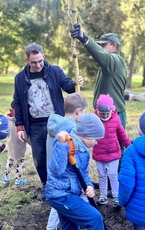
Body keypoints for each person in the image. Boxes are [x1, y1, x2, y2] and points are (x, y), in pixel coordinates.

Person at [14, 43, 84, 200]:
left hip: (55, 121)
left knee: (60, 153)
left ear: (43, 56)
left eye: (40, 60)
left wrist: (76, 83)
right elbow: (17, 103)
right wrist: (19, 126)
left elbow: (68, 86)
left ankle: (67, 183)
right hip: (34, 124)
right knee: (40, 158)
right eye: (33, 62)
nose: (38, 65)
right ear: (27, 60)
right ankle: (47, 186)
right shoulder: (20, 78)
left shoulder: (54, 71)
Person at [45, 113, 105, 230]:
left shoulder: (83, 147)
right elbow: (56, 170)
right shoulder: (65, 143)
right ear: (87, 135)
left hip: (70, 192)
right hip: (60, 195)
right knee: (95, 218)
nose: (96, 143)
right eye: (96, 139)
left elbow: (82, 171)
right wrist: (62, 146)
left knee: (71, 226)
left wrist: (88, 185)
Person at [70, 24, 128, 129]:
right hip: (105, 113)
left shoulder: (116, 61)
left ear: (113, 45)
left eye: (103, 45)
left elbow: (102, 56)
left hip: (113, 114)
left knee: (116, 145)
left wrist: (84, 39)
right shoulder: (109, 64)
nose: (101, 48)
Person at [46, 92, 88, 230]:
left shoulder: (55, 126)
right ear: (78, 111)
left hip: (54, 174)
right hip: (67, 178)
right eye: (84, 112)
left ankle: (51, 227)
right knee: (81, 203)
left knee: (59, 206)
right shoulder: (71, 131)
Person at [92, 94, 131, 208]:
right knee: (102, 176)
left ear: (112, 110)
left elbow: (122, 134)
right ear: (97, 110)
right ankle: (103, 196)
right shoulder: (94, 120)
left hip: (114, 154)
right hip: (99, 153)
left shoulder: (116, 119)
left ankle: (116, 197)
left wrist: (128, 145)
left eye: (106, 114)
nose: (104, 116)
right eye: (102, 114)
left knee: (113, 174)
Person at [118, 107, 145, 230]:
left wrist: (122, 201)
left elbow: (126, 183)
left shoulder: (132, 152)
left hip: (140, 212)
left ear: (143, 128)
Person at [2, 101, 31, 186]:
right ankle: (18, 180)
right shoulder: (21, 125)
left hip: (10, 145)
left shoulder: (8, 121)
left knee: (10, 161)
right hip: (19, 147)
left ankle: (6, 178)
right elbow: (26, 136)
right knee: (20, 163)